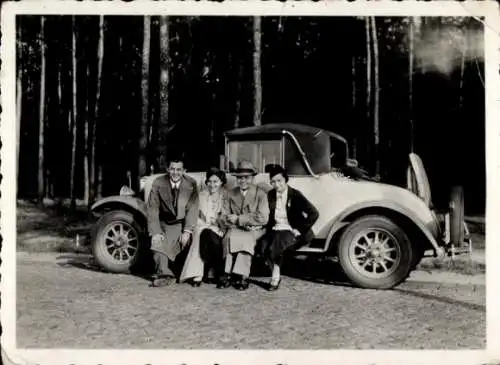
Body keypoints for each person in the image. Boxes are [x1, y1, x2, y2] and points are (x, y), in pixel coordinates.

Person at [262, 164, 319, 291]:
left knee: (276, 245)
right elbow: (267, 215)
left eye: (279, 181)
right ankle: (275, 270)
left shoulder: (295, 195)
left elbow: (314, 213)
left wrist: (300, 229)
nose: (277, 185)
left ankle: (275, 276)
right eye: (273, 182)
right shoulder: (271, 195)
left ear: (285, 180)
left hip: (291, 229)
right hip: (275, 228)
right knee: (264, 247)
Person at [146, 156, 200, 287]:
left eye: (179, 169)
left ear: (184, 170)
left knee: (185, 242)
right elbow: (152, 208)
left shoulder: (191, 183)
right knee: (157, 244)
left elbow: (192, 209)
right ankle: (164, 274)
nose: (175, 173)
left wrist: (187, 230)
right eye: (172, 169)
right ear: (167, 169)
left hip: (180, 223)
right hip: (163, 222)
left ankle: (179, 272)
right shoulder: (158, 182)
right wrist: (155, 232)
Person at [219, 161, 269, 290]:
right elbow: (224, 215)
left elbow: (263, 218)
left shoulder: (261, 194)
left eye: (246, 177)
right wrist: (232, 221)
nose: (243, 181)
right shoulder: (230, 193)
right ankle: (227, 273)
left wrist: (239, 218)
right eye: (240, 178)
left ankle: (242, 275)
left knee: (246, 238)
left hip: (255, 230)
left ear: (252, 178)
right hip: (235, 227)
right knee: (229, 237)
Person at [179, 167, 228, 287]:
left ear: (221, 182)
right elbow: (194, 214)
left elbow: (227, 216)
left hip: (219, 229)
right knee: (201, 232)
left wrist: (218, 221)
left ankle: (200, 273)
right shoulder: (201, 195)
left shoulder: (226, 196)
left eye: (215, 182)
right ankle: (198, 272)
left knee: (205, 233)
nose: (212, 185)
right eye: (210, 182)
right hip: (202, 227)